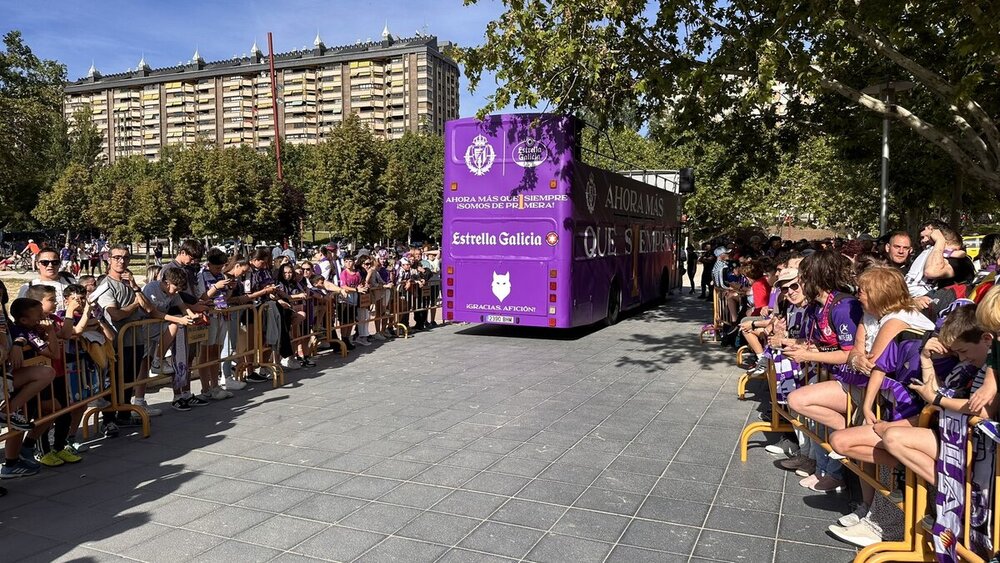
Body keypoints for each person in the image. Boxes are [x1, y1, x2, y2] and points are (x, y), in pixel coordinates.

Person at [17, 248, 77, 312]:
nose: (50, 265)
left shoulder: (71, 282)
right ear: (37, 264)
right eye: (45, 262)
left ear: (59, 264)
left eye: (55, 262)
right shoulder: (28, 287)